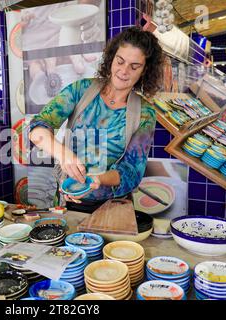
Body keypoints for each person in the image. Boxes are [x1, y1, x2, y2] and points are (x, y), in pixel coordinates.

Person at [29, 27, 164, 213]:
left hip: (114, 208)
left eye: (134, 66)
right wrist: (63, 154)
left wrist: (98, 180)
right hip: (68, 203)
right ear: (111, 58)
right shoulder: (80, 90)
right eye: (120, 61)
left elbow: (132, 172)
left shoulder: (145, 113)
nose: (124, 71)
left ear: (145, 70)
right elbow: (38, 127)